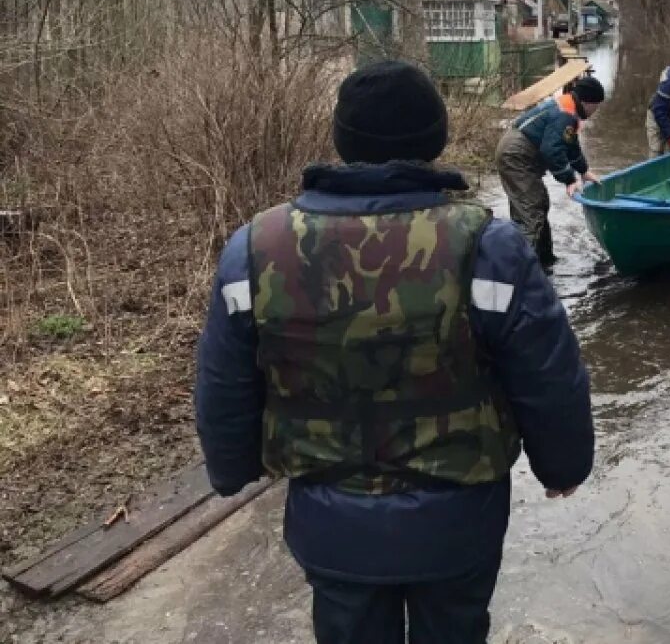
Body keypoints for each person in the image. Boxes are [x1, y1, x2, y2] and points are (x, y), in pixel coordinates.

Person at [194, 60, 594, 644]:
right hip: (459, 521)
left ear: (341, 139)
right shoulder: (489, 245)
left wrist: (230, 470)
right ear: (433, 140)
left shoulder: (255, 247)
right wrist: (563, 463)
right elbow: (547, 373)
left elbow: (224, 380)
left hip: (330, 524)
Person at [495, 75, 605, 267]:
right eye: (596, 106)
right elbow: (552, 150)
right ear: (587, 102)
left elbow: (570, 144)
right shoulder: (565, 114)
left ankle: (544, 262)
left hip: (516, 152)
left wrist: (584, 170)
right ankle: (521, 271)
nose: (596, 111)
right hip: (516, 156)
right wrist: (569, 179)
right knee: (531, 210)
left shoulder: (568, 107)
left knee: (536, 205)